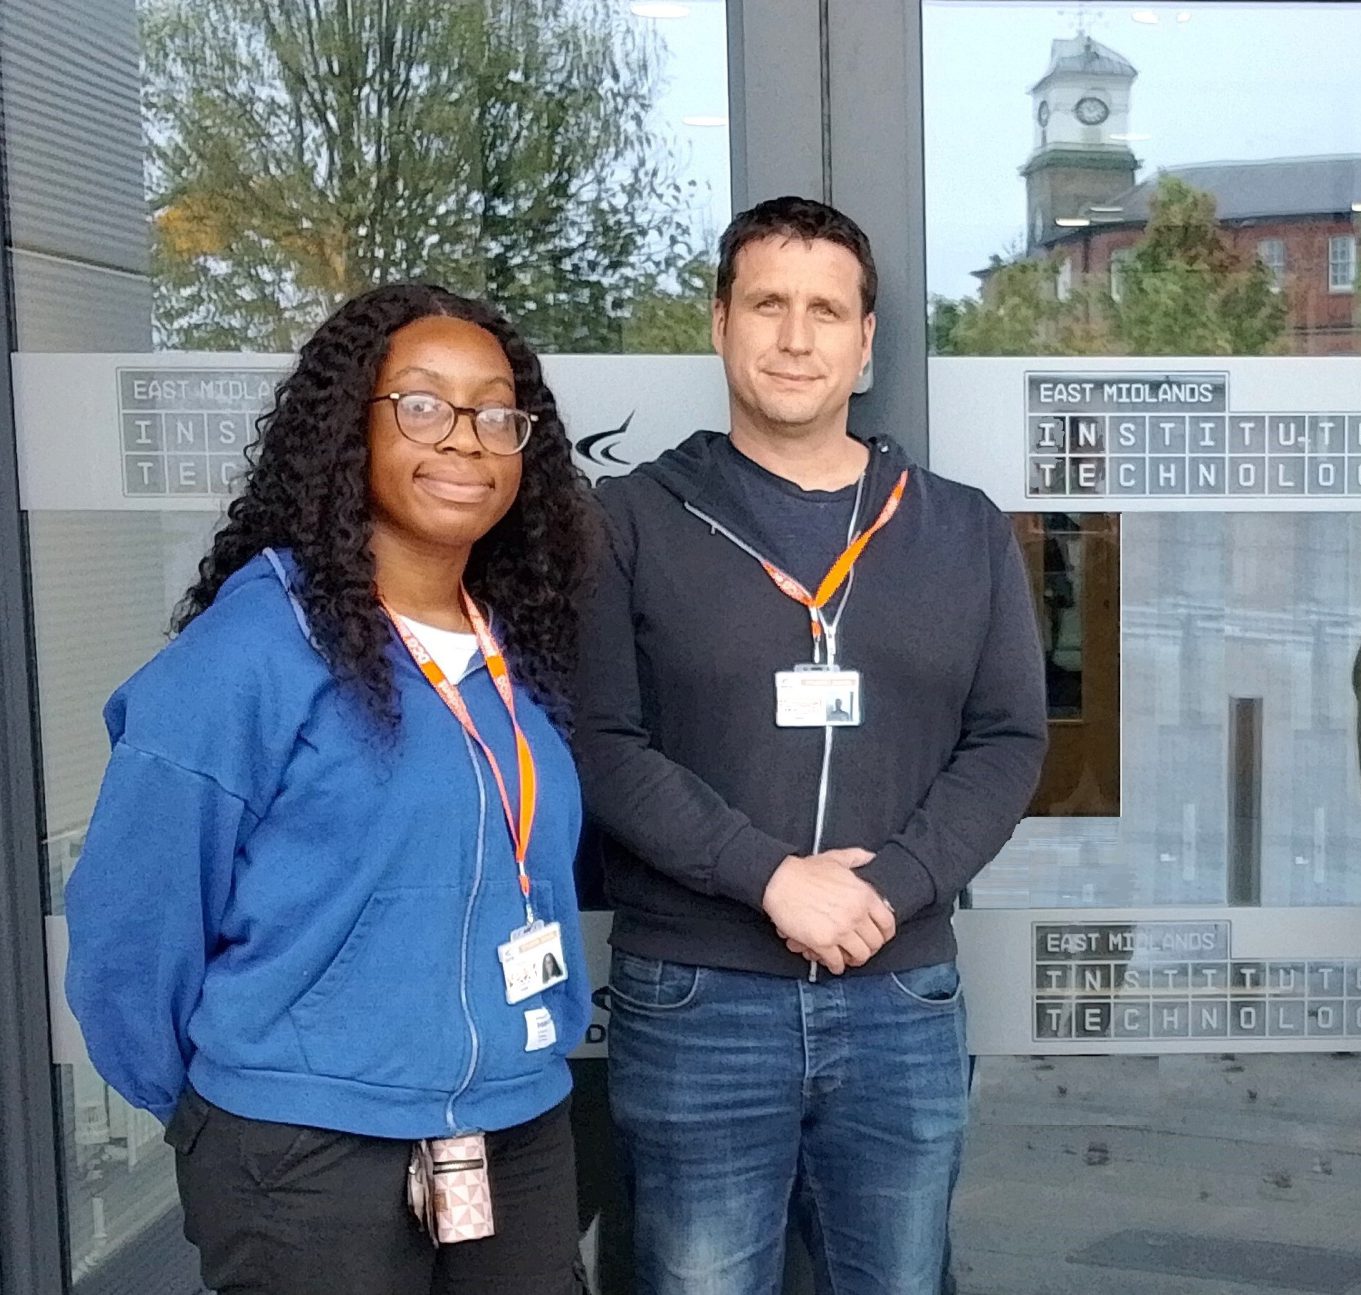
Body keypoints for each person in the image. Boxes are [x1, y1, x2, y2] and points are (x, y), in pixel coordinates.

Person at [64, 284, 598, 1293]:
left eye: (497, 413)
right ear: (351, 427)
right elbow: (133, 929)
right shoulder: (252, 654)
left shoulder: (511, 651)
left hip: (510, 1125)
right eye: (424, 405)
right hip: (308, 1153)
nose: (468, 441)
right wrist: (224, 1112)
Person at [576, 196, 1046, 1293]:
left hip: (902, 993)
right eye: (769, 304)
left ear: (866, 340)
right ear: (720, 323)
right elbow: (601, 738)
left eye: (827, 309)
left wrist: (890, 882)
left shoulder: (962, 528)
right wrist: (773, 876)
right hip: (697, 993)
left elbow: (1010, 738)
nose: (796, 337)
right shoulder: (629, 520)